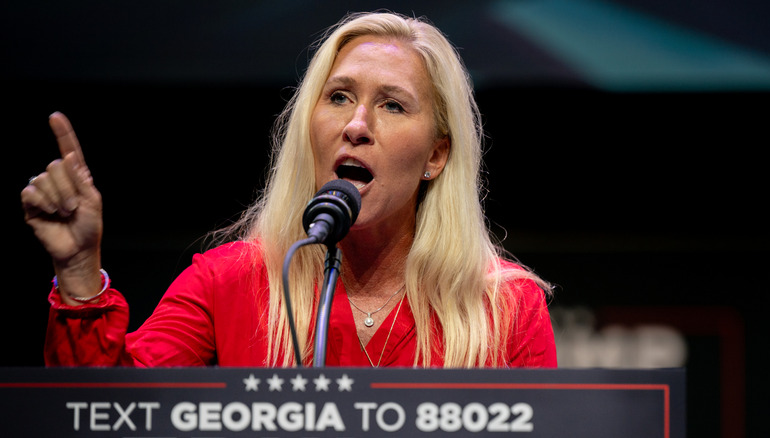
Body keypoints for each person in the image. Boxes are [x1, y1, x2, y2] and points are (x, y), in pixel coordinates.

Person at [21, 11, 557, 368]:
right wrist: (78, 272)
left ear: (436, 156)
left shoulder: (505, 308)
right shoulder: (229, 282)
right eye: (339, 97)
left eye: (393, 105)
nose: (356, 125)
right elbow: (111, 413)